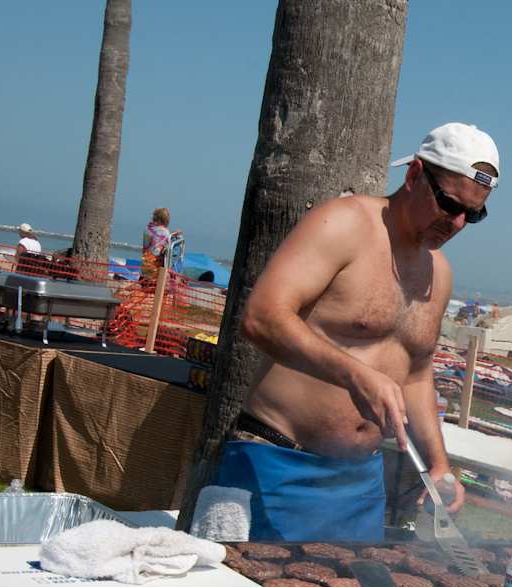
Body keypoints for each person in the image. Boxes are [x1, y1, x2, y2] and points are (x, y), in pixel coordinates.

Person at [211, 122, 497, 541]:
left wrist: (438, 463)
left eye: (472, 215)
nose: (456, 223)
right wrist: (356, 374)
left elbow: (416, 371)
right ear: (415, 174)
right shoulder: (343, 223)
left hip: (360, 485)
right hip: (277, 465)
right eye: (449, 204)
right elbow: (262, 317)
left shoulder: (439, 274)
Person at [141, 208, 182, 281]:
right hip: (155, 267)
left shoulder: (147, 229)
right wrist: (175, 235)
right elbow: (165, 245)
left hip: (144, 264)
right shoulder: (165, 232)